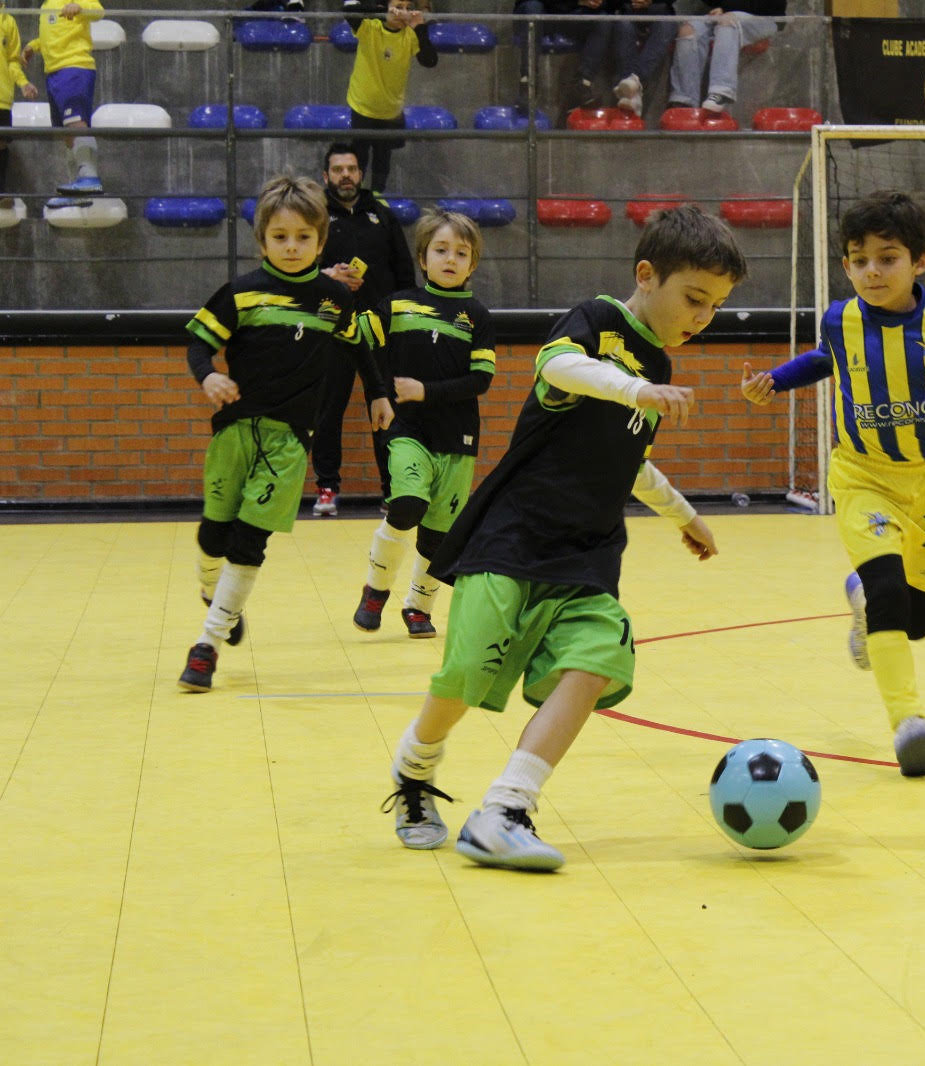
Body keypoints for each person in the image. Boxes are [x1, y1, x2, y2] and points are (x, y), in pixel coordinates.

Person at [380, 205, 744, 869]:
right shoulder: (597, 320)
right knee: (465, 676)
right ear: (646, 275)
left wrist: (683, 514)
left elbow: (630, 461)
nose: (703, 318)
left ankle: (506, 809)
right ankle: (414, 768)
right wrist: (632, 388)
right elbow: (558, 368)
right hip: (515, 535)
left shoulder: (656, 367)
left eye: (715, 307)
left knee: (599, 658)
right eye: (694, 298)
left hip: (588, 552)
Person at [740, 191, 925, 777]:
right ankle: (908, 722)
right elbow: (820, 360)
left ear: (920, 261)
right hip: (861, 478)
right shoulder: (840, 319)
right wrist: (774, 380)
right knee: (889, 594)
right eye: (859, 261)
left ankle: (859, 596)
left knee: (918, 621)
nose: (872, 272)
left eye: (887, 258)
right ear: (846, 265)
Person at [178, 175, 395, 693]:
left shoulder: (333, 299)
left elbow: (360, 347)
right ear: (262, 240)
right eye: (280, 237)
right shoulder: (241, 293)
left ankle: (207, 645)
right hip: (235, 431)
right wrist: (208, 376)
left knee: (250, 540)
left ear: (321, 243)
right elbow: (198, 344)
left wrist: (379, 393)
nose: (292, 246)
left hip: (290, 440)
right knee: (214, 536)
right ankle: (213, 590)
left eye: (303, 237)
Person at [353, 209, 494, 638]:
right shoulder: (397, 305)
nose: (450, 259)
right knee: (407, 505)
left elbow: (481, 380)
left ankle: (418, 606)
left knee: (437, 535)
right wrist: (379, 392)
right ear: (422, 257)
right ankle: (376, 589)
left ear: (472, 264)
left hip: (457, 438)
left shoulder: (476, 315)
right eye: (441, 250)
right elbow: (355, 337)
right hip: (407, 430)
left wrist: (425, 390)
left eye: (461, 253)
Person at [312, 143, 416, 516]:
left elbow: (405, 273)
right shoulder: (315, 217)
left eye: (352, 169)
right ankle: (327, 488)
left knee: (385, 407)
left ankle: (392, 489)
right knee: (328, 410)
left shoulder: (382, 215)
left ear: (360, 174)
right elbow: (298, 272)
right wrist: (327, 277)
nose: (346, 175)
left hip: (380, 330)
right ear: (326, 176)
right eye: (338, 169)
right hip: (332, 330)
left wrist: (404, 321)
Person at [343, 0, 437, 192]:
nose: (403, 13)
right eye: (398, 7)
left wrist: (420, 28)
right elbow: (348, 10)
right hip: (363, 107)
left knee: (382, 158)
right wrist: (381, 12)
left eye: (407, 8)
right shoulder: (369, 27)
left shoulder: (410, 35)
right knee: (359, 156)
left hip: (390, 111)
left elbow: (430, 60)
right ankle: (355, 197)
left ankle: (378, 197)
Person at [21, 0, 104, 207]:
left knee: (76, 122)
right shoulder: (46, 5)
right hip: (53, 73)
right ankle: (76, 188)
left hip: (74, 67)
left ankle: (89, 177)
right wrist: (34, 46)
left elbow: (98, 11)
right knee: (66, 132)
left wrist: (79, 7)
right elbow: (52, 36)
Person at [666, 0, 784, 115]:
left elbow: (769, 4)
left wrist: (727, 8)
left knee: (727, 21)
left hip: (765, 17)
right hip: (726, 13)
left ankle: (721, 91)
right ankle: (684, 100)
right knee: (688, 30)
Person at [574, 0, 675, 114]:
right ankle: (631, 90)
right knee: (623, 26)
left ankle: (633, 83)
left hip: (660, 13)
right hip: (628, 13)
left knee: (667, 24)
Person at [0, 0, 39, 212]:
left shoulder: (8, 22)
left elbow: (13, 61)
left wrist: (23, 83)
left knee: (1, 144)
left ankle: (0, 193)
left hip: (1, 97)